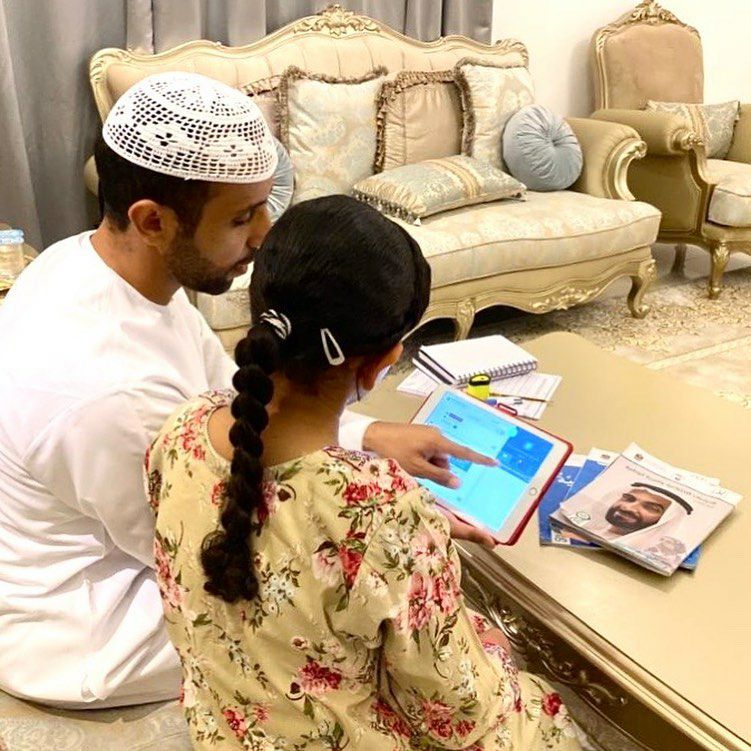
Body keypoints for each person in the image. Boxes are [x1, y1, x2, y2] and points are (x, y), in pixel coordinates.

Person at [0, 72, 493, 709]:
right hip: (93, 625)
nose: (265, 234)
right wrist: (384, 532)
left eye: (264, 204)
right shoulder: (107, 391)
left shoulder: (99, 262)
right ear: (152, 221)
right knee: (361, 612)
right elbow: (202, 545)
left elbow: (228, 398)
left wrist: (365, 435)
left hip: (143, 542)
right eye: (241, 216)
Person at [148, 195, 584, 751]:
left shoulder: (179, 431)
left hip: (220, 728)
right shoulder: (381, 511)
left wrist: (403, 540)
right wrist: (488, 645)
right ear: (383, 362)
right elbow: (456, 714)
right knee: (544, 714)